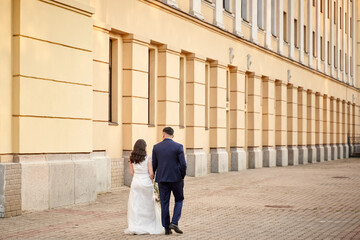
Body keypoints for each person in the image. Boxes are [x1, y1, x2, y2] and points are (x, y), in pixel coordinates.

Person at [152, 127, 187, 235]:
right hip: (176, 178)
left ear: (163, 135)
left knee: (164, 202)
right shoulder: (178, 147)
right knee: (179, 199)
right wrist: (182, 175)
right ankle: (174, 222)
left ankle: (167, 228)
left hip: (162, 179)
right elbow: (183, 164)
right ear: (173, 135)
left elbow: (154, 164)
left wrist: (153, 176)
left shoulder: (156, 147)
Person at [124, 139, 163, 235]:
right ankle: (147, 224)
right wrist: (152, 181)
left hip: (136, 183)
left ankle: (136, 226)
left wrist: (138, 176)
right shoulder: (148, 158)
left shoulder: (132, 158)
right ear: (144, 147)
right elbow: (151, 173)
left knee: (136, 205)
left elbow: (132, 173)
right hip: (146, 184)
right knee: (148, 205)